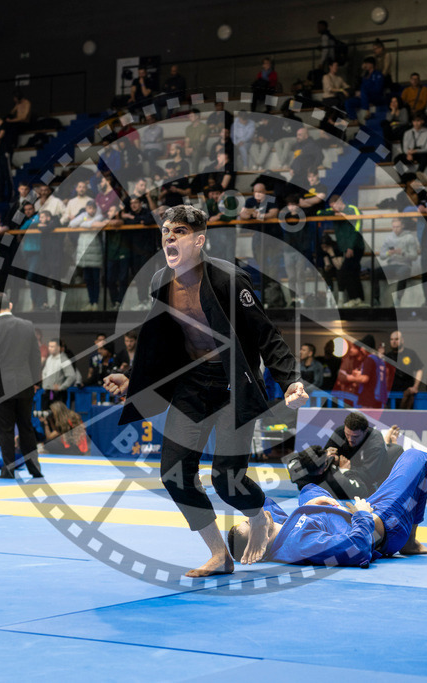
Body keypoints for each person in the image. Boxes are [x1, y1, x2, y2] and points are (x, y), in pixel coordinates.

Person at [102, 205, 308, 577]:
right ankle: (219, 555)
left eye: (179, 231)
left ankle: (259, 517)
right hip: (192, 384)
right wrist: (133, 381)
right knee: (174, 474)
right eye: (165, 231)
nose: (169, 237)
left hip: (233, 384)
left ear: (199, 240)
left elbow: (266, 333)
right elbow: (160, 344)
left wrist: (290, 379)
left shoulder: (229, 279)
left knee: (227, 479)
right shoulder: (160, 282)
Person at [227, 449, 427, 567]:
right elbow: (358, 550)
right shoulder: (300, 543)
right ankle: (409, 541)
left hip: (344, 515)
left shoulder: (274, 530)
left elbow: (260, 501)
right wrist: (362, 514)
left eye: (247, 520)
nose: (253, 520)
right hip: (384, 522)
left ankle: (320, 505)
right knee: (418, 457)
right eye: (251, 526)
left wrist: (308, 506)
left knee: (308, 490)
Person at [0, 292, 44, 480]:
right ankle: (35, 469)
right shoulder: (27, 325)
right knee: (26, 427)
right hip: (25, 385)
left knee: (5, 430)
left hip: (0, 388)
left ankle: (8, 470)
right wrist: (36, 382)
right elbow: (35, 356)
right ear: (11, 305)